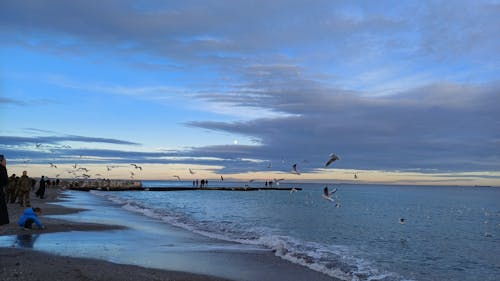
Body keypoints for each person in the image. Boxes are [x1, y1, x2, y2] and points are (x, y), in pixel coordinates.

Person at [0, 154, 10, 226]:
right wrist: (4, 167)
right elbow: (5, 181)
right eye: (4, 160)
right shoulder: (1, 168)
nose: (6, 161)